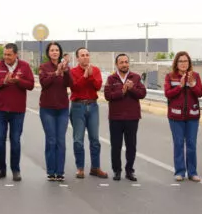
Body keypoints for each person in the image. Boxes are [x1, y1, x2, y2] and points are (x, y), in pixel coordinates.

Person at [0, 43, 35, 181]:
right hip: (1, 110)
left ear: (16, 55)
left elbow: (31, 85)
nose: (6, 57)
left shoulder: (24, 66)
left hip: (17, 111)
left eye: (9, 55)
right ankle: (1, 169)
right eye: (5, 54)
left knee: (15, 140)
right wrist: (4, 81)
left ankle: (16, 170)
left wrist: (18, 81)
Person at [104, 54, 146, 181]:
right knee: (116, 146)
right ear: (116, 64)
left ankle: (129, 171)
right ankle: (117, 170)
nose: (124, 64)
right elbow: (108, 96)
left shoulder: (136, 77)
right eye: (121, 62)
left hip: (132, 117)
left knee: (131, 146)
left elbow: (142, 94)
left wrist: (131, 88)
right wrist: (122, 92)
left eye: (126, 62)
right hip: (115, 117)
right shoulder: (111, 78)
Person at [163, 51, 202, 182]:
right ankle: (180, 171)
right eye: (180, 61)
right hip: (175, 117)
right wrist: (180, 86)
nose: (183, 64)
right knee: (179, 144)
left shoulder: (195, 76)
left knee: (191, 144)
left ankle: (192, 172)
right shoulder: (170, 76)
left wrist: (192, 84)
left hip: (192, 116)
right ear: (176, 63)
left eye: (185, 61)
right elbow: (167, 94)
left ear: (189, 63)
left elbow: (200, 93)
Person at [69, 47, 108, 179]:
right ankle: (80, 168)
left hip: (92, 106)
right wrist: (84, 76)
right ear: (77, 58)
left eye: (87, 55)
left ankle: (95, 167)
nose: (85, 57)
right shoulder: (73, 72)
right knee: (78, 140)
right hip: (78, 106)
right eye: (82, 55)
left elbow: (97, 86)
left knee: (95, 139)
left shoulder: (95, 70)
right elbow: (74, 87)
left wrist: (90, 76)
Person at [38, 42, 71, 181]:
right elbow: (44, 83)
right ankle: (51, 171)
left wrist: (66, 71)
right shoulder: (43, 67)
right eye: (52, 50)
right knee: (51, 140)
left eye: (57, 50)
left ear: (60, 52)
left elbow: (70, 84)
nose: (55, 52)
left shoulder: (65, 66)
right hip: (47, 109)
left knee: (61, 140)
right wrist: (56, 73)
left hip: (62, 108)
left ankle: (60, 171)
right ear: (48, 53)